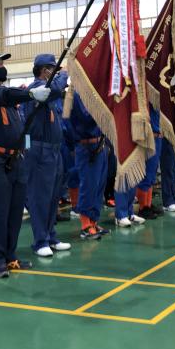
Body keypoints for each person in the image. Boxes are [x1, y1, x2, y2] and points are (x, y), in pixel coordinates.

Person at [0, 48, 52, 276]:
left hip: (16, 159)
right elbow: (4, 96)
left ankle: (10, 256)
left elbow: (21, 125)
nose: (1, 66)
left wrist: (25, 150)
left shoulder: (7, 95)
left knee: (15, 211)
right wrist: (29, 94)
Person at [22, 53, 72, 257]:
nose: (57, 74)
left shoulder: (51, 96)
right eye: (54, 70)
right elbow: (56, 87)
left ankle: (51, 236)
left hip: (54, 149)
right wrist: (66, 72)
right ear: (45, 71)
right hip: (38, 149)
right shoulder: (36, 89)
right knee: (39, 197)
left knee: (53, 196)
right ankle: (40, 240)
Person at [68, 92, 109, 239]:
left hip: (100, 144)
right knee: (88, 186)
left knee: (99, 186)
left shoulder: (93, 92)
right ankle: (85, 225)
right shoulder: (78, 94)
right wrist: (105, 106)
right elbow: (87, 117)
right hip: (87, 146)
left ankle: (94, 221)